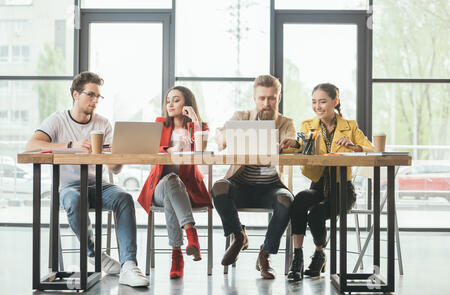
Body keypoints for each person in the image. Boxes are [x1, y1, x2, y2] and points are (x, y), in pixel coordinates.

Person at [25, 71, 149, 287]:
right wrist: (72, 146)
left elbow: (114, 167)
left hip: (99, 185)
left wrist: (122, 155)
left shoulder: (104, 123)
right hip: (70, 187)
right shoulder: (58, 120)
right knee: (73, 200)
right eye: (91, 95)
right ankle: (96, 255)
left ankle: (129, 266)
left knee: (124, 198)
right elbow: (32, 146)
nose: (95, 100)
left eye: (98, 96)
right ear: (75, 94)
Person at [279, 83, 374, 282]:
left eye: (323, 101)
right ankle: (297, 258)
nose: (318, 106)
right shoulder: (308, 125)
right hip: (318, 185)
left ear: (335, 101)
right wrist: (293, 144)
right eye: (314, 102)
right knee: (300, 201)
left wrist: (354, 146)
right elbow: (302, 144)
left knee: (316, 213)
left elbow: (371, 150)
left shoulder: (350, 126)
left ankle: (319, 253)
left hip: (342, 191)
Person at [212, 75, 296, 279]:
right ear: (254, 98)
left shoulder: (285, 123)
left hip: (271, 187)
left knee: (287, 199)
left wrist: (290, 143)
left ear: (279, 97)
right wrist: (224, 138)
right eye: (262, 98)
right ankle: (239, 236)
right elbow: (220, 137)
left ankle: (265, 255)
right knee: (219, 187)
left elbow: (294, 140)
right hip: (240, 184)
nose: (266, 103)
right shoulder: (241, 117)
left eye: (271, 98)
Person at [137, 86, 212, 279]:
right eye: (168, 100)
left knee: (174, 189)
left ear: (187, 103)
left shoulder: (200, 126)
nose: (170, 104)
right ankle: (191, 235)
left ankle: (177, 256)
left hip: (186, 191)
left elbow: (201, 150)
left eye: (176, 100)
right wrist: (171, 149)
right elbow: (151, 149)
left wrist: (194, 120)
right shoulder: (160, 125)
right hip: (158, 189)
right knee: (171, 180)